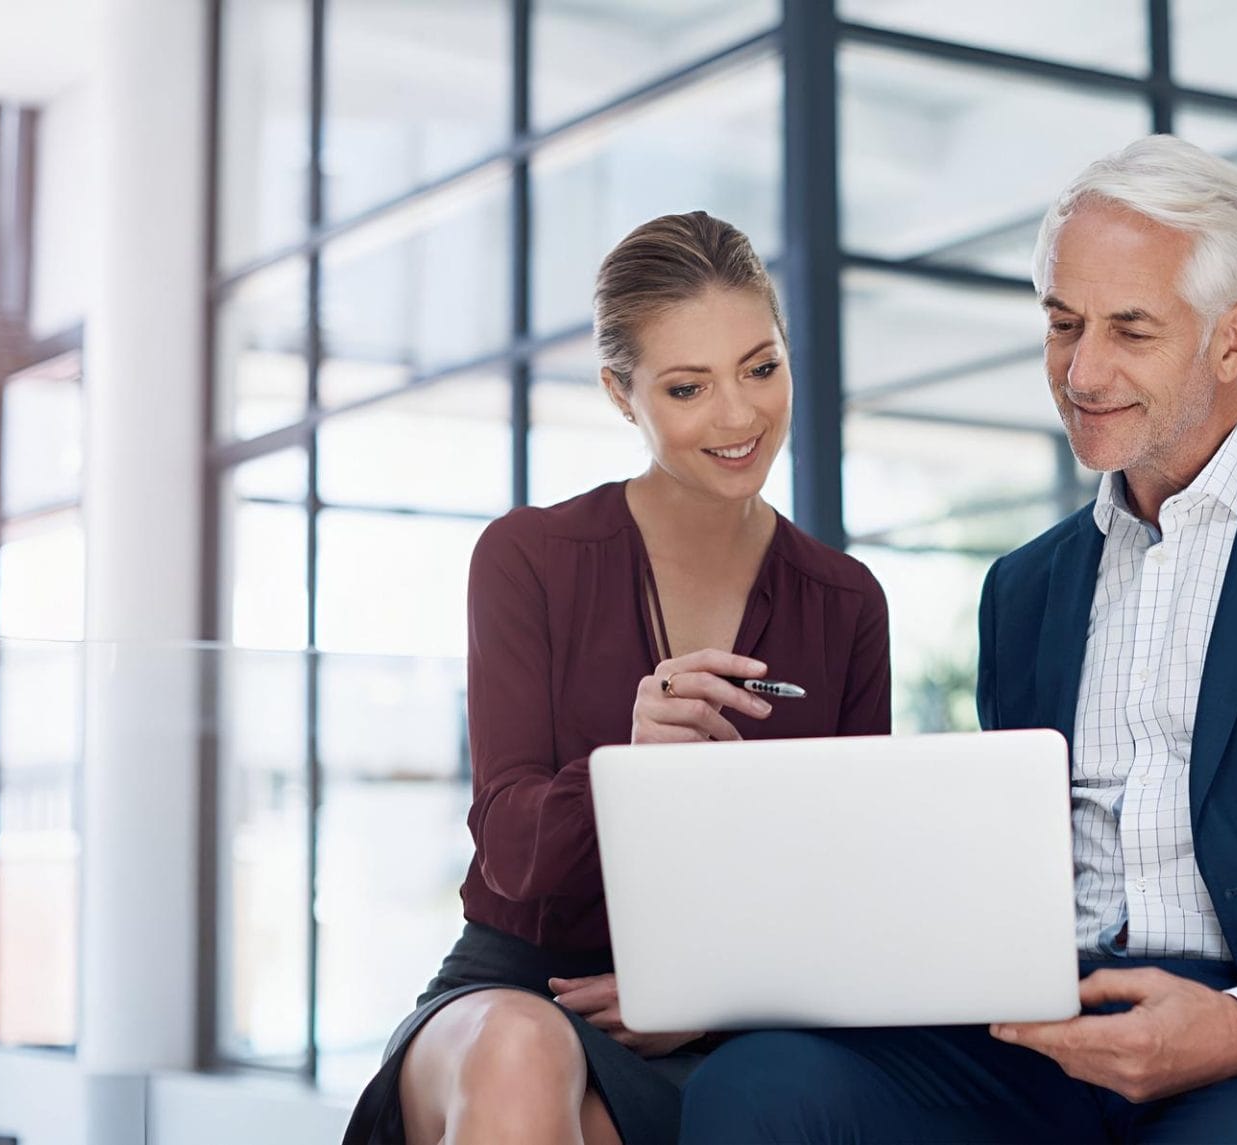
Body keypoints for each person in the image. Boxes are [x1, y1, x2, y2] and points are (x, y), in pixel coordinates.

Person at [679, 136, 1237, 1143]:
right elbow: (1010, 870)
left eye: (1130, 330)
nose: (1083, 371)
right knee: (759, 1087)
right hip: (1057, 1027)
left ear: (1232, 339)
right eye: (1063, 325)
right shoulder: (1024, 587)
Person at [341, 211, 892, 1145]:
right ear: (619, 393)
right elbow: (509, 853)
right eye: (688, 387)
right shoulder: (530, 558)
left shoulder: (845, 601)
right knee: (520, 1056)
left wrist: (710, 999)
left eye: (762, 367)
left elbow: (847, 888)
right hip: (520, 988)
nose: (739, 416)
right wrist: (623, 765)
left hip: (734, 1021)